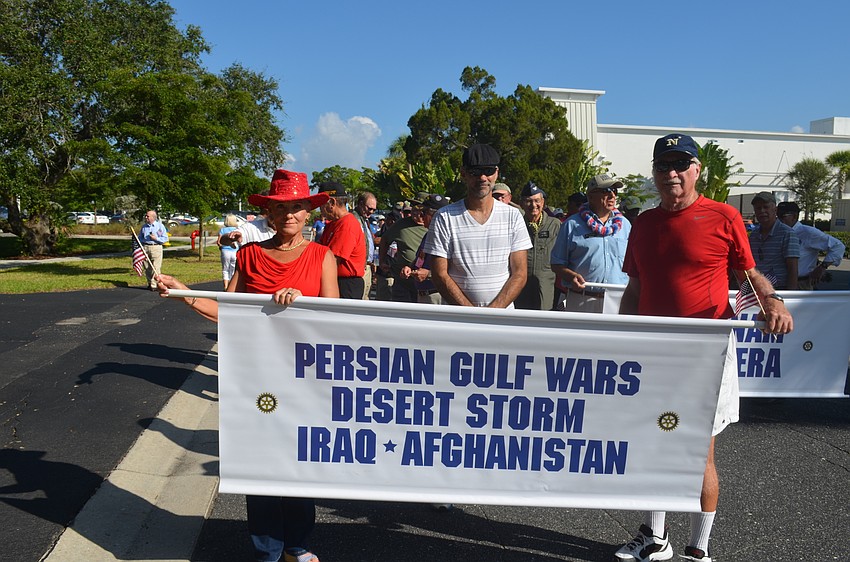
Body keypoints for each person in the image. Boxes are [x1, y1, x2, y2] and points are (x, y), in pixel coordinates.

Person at [615, 134, 792, 562]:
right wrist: (618, 338)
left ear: (696, 170)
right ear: (654, 173)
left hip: (705, 352)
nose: (671, 173)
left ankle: (699, 549)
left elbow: (749, 274)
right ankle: (655, 538)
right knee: (653, 440)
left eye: (681, 164)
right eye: (663, 166)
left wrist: (773, 300)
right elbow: (635, 289)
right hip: (655, 353)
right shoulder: (642, 224)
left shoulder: (724, 216)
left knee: (699, 448)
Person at [156, 168, 337, 562]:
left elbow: (334, 321)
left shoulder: (323, 257)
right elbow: (227, 311)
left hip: (305, 376)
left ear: (309, 212)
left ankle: (298, 545)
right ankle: (267, 549)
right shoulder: (249, 255)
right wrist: (183, 293)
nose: (289, 215)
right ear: (269, 213)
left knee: (299, 460)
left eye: (297, 207)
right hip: (256, 377)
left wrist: (302, 306)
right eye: (280, 208)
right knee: (261, 464)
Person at [424, 143, 532, 308]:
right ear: (463, 174)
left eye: (488, 171)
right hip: (460, 321)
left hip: (502, 319)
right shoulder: (444, 218)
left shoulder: (513, 216)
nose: (482, 178)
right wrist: (471, 315)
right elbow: (440, 275)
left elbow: (520, 273)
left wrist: (493, 312)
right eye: (475, 172)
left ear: (496, 173)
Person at [550, 174, 630, 313]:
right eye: (606, 191)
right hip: (582, 300)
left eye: (614, 191)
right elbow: (556, 263)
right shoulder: (572, 225)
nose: (612, 195)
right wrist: (571, 276)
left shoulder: (625, 225)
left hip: (618, 301)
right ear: (591, 196)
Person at [777, 201, 845, 289]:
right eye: (777, 216)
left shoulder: (808, 233)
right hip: (779, 283)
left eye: (782, 216)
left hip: (801, 283)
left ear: (794, 216)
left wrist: (822, 267)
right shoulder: (778, 232)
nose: (779, 220)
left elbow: (838, 246)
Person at [515, 181, 561, 310]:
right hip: (521, 286)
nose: (533, 205)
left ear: (543, 203)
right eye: (528, 201)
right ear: (522, 204)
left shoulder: (555, 225)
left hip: (547, 285)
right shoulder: (516, 225)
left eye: (537, 201)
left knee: (545, 322)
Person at [317, 182, 366, 299]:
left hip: (346, 284)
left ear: (332, 203)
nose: (320, 210)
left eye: (321, 204)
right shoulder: (333, 223)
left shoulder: (347, 224)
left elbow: (332, 261)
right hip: (337, 280)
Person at [399, 194, 450, 304]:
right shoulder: (428, 235)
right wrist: (410, 268)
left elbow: (455, 270)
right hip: (423, 294)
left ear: (435, 216)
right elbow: (420, 259)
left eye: (423, 214)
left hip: (437, 295)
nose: (420, 217)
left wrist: (429, 274)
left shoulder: (448, 237)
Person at [379, 199, 428, 303]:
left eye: (418, 208)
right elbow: (385, 239)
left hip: (425, 283)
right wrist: (382, 261)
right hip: (402, 281)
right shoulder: (401, 224)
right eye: (413, 208)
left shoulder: (432, 225)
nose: (414, 211)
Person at [749, 191, 800, 289]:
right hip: (757, 288)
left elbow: (793, 268)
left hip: (779, 289)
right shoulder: (754, 235)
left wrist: (791, 295)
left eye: (766, 207)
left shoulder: (787, 234)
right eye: (758, 208)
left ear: (775, 210)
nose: (762, 211)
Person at [353, 192, 378, 299]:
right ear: (361, 204)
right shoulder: (354, 219)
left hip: (367, 266)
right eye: (369, 208)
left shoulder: (365, 220)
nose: (371, 212)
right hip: (359, 268)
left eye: (374, 210)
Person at [139, 210, 168, 290]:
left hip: (156, 247)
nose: (146, 217)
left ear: (153, 217)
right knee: (147, 267)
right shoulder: (144, 227)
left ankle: (154, 285)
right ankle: (149, 283)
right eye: (146, 216)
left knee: (156, 267)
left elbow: (165, 238)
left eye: (147, 216)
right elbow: (140, 237)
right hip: (145, 247)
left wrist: (156, 238)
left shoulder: (160, 226)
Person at [216, 214, 240, 289]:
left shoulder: (222, 230)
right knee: (233, 269)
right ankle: (232, 286)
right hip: (234, 251)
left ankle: (225, 286)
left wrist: (221, 247)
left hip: (225, 251)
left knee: (225, 269)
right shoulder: (237, 230)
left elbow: (218, 242)